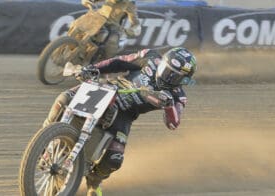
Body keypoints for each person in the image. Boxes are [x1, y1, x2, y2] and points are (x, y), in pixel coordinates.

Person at [42, 47, 197, 196]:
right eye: (168, 71)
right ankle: (44, 140)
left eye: (175, 77)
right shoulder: (150, 57)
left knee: (114, 159)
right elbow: (119, 61)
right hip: (106, 89)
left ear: (184, 80)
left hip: (124, 115)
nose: (169, 78)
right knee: (63, 99)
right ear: (162, 62)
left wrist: (169, 105)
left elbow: (173, 123)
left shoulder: (178, 96)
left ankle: (94, 181)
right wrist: (91, 68)